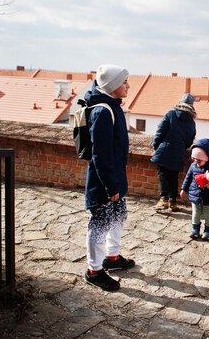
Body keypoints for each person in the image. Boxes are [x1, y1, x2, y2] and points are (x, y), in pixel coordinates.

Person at [83, 64, 135, 291]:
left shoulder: (113, 107)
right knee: (100, 223)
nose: (128, 86)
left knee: (118, 217)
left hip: (115, 176)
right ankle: (94, 270)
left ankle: (112, 257)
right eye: (124, 82)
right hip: (104, 180)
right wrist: (110, 185)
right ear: (113, 85)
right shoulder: (102, 112)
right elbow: (100, 155)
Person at [151, 93, 197, 212]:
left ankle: (163, 200)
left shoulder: (170, 114)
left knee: (163, 174)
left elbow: (160, 132)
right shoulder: (191, 122)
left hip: (165, 150)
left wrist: (157, 146)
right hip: (179, 152)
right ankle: (173, 202)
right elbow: (189, 141)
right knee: (173, 176)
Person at [179, 138, 209, 240]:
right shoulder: (193, 166)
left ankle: (208, 230)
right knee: (195, 214)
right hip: (195, 194)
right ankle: (195, 229)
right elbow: (188, 177)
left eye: (199, 160)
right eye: (194, 159)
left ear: (207, 157)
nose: (196, 162)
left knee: (208, 214)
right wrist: (183, 189)